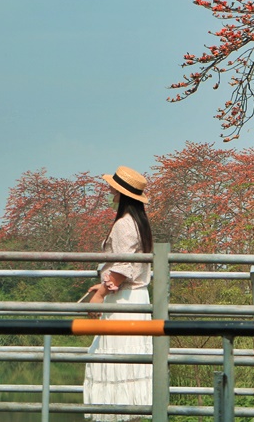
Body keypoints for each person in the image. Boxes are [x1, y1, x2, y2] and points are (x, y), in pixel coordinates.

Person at [82, 165, 154, 421]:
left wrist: (101, 292)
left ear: (122, 193)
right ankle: (129, 412)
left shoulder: (124, 224)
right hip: (136, 297)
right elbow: (128, 265)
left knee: (114, 357)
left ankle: (116, 413)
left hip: (124, 301)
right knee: (128, 359)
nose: (110, 190)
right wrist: (103, 282)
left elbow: (123, 266)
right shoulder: (139, 223)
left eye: (113, 187)